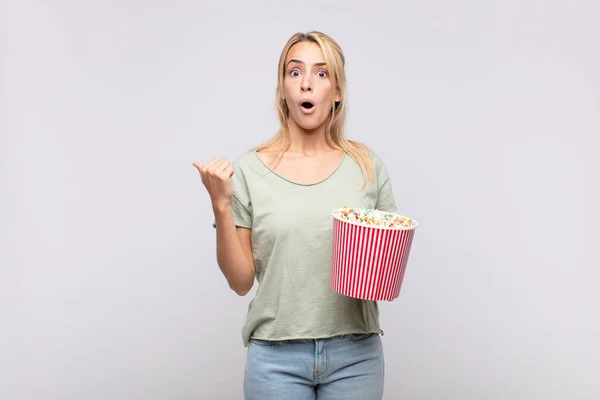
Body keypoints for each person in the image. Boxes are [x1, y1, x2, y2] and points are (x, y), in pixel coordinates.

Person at [193, 31, 398, 400]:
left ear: (337, 91)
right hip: (275, 359)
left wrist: (375, 264)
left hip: (356, 355)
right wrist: (221, 204)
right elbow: (240, 282)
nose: (306, 83)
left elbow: (384, 269)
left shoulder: (366, 166)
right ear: (283, 88)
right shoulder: (250, 170)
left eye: (321, 74)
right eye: (295, 72)